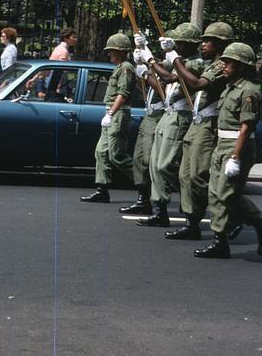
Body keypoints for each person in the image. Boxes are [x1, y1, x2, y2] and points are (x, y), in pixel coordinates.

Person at [193, 43, 262, 259]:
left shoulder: (248, 91)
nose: (223, 65)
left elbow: (246, 127)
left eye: (228, 62)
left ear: (240, 66)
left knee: (226, 193)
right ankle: (220, 242)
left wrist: (235, 157)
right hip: (221, 145)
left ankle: (261, 223)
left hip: (236, 148)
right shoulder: (229, 87)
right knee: (214, 194)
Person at [162, 22, 234, 240]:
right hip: (196, 122)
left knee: (198, 177)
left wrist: (175, 58)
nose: (203, 44)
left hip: (208, 125)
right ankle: (191, 223)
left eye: (208, 41)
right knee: (185, 176)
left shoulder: (221, 66)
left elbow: (196, 84)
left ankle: (230, 217)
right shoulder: (209, 63)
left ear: (220, 43)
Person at [136, 23, 205, 227]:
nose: (177, 46)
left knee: (166, 165)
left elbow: (169, 77)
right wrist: (143, 49)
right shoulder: (179, 60)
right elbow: (162, 67)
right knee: (155, 165)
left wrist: (149, 60)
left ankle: (194, 198)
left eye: (181, 43)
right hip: (168, 113)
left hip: (180, 115)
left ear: (191, 45)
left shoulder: (195, 63)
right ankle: (160, 210)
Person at [80, 33, 135, 203]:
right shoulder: (119, 67)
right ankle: (102, 190)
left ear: (120, 51)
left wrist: (111, 113)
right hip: (111, 112)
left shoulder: (126, 67)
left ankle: (145, 184)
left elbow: (123, 94)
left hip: (118, 113)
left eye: (112, 51)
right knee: (101, 152)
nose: (109, 54)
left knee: (116, 155)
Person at [118, 57, 166, 216]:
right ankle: (142, 200)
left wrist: (146, 74)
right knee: (139, 158)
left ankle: (160, 208)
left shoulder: (166, 75)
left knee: (150, 161)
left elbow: (163, 91)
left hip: (159, 115)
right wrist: (141, 75)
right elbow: (143, 87)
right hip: (149, 115)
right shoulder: (155, 74)